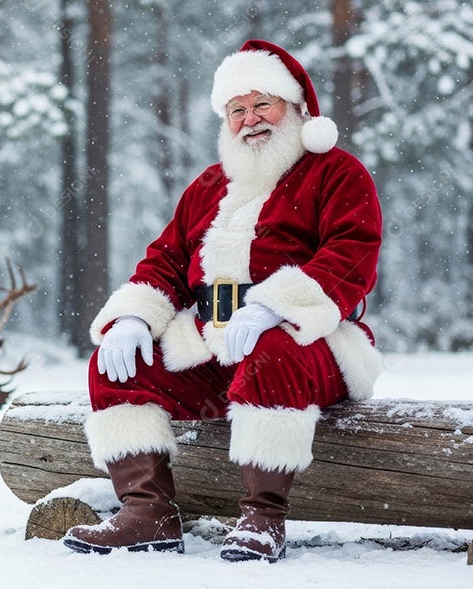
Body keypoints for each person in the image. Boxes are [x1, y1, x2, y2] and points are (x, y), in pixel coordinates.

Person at [62, 40, 382, 563]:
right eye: (237, 110)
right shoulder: (209, 186)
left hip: (312, 345)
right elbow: (166, 260)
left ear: (295, 107)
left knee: (272, 349)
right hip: (213, 344)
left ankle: (262, 518)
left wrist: (274, 305)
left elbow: (352, 254)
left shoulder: (336, 172)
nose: (250, 120)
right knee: (116, 366)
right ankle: (148, 514)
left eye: (263, 105)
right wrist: (134, 316)